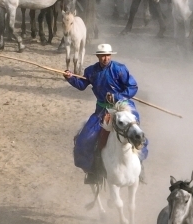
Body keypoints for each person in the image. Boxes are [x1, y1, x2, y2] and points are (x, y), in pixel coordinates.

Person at [64, 43, 149, 184]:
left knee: (138, 135)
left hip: (123, 107)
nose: (105, 58)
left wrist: (117, 97)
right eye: (103, 56)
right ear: (98, 56)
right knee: (84, 138)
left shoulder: (120, 69)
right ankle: (92, 171)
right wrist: (70, 77)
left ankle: (140, 165)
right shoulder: (91, 71)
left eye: (108, 55)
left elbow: (132, 87)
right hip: (102, 110)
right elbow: (81, 85)